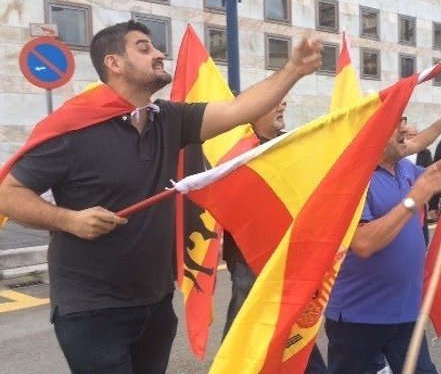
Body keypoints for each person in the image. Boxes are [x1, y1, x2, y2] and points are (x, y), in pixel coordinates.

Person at [0, 20, 322, 374]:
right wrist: (69, 220)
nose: (158, 53)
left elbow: (237, 110)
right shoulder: (74, 128)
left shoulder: (168, 118)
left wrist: (293, 69)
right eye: (144, 47)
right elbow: (8, 193)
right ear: (115, 63)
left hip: (156, 303)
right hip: (92, 309)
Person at [324, 117, 441, 374]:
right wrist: (412, 200)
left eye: (404, 121)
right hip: (359, 316)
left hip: (405, 311)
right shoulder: (352, 178)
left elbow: (433, 173)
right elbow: (363, 243)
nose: (405, 129)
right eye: (396, 123)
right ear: (372, 131)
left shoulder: (404, 168)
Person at [221, 99, 327, 373]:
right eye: (275, 103)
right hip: (247, 251)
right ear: (253, 112)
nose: (283, 106)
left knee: (291, 313)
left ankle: (308, 365)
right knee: (248, 313)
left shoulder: (292, 143)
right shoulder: (237, 147)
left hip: (288, 248)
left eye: (283, 103)